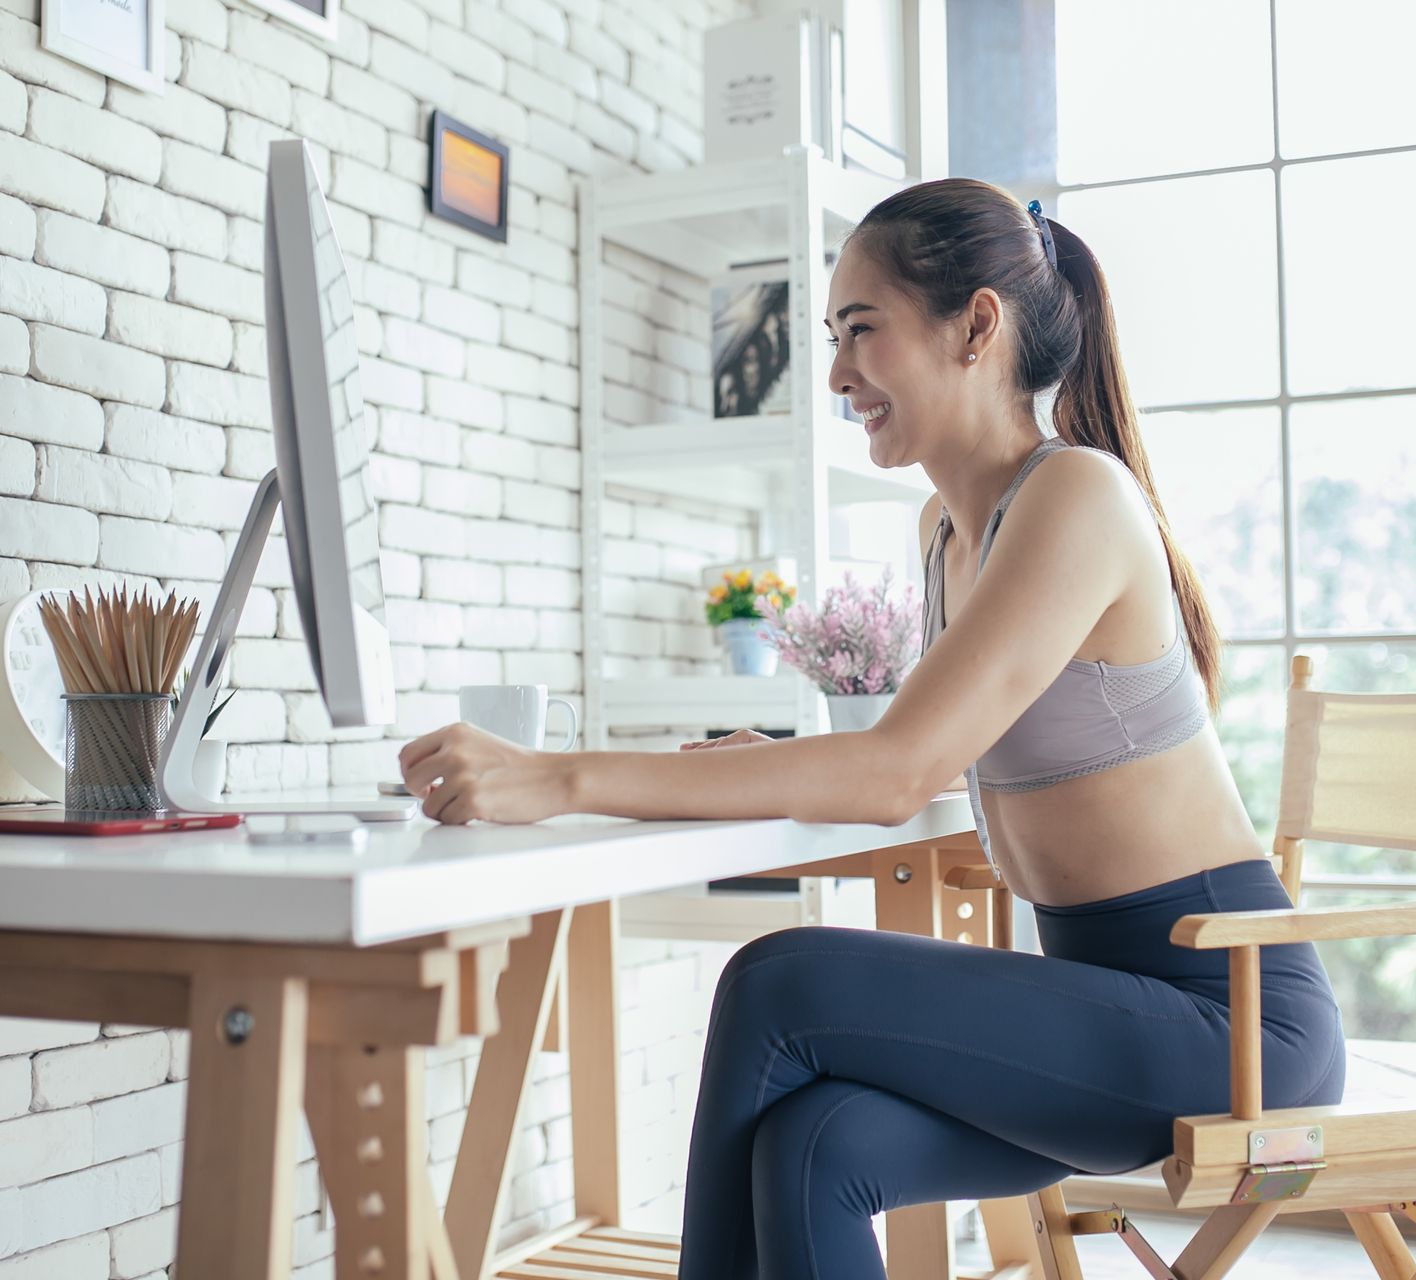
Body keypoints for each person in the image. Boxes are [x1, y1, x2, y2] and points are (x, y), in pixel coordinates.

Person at [397, 178, 1346, 1279]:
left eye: (862, 332)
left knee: (778, 980)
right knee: (818, 1146)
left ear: (975, 328)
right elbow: (913, 748)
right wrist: (782, 766)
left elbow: (897, 769)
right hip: (1111, 1010)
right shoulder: (946, 528)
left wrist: (556, 777)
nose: (839, 372)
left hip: (1226, 1017)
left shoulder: (1076, 496)